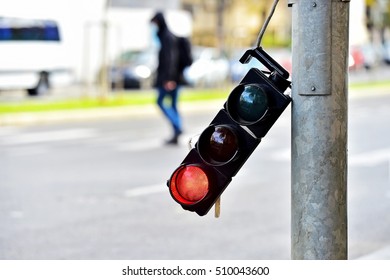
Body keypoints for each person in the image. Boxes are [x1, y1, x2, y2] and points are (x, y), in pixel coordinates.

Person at [150, 11, 183, 145]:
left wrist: (169, 79)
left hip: (169, 79)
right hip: (175, 78)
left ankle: (178, 126)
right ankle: (175, 133)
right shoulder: (168, 36)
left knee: (160, 102)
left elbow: (170, 59)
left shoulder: (166, 37)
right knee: (173, 105)